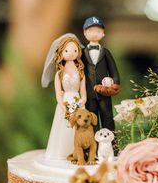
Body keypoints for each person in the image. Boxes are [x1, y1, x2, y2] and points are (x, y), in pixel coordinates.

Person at [41, 33, 86, 161]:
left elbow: (84, 95)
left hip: (78, 103)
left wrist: (79, 104)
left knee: (79, 128)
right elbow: (58, 95)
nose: (71, 53)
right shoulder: (59, 74)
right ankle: (63, 152)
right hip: (65, 103)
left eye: (74, 50)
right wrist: (65, 108)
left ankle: (79, 153)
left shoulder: (81, 72)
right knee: (64, 128)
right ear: (61, 52)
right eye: (67, 50)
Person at [82, 17, 121, 152]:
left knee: (108, 119)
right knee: (92, 122)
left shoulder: (106, 52)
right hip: (88, 94)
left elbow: (114, 70)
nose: (94, 33)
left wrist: (115, 84)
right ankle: (94, 149)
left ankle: (114, 147)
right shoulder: (82, 53)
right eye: (91, 31)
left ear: (103, 34)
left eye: (98, 31)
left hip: (105, 93)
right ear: (85, 34)